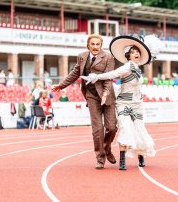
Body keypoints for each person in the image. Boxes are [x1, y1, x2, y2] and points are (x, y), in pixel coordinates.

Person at [82, 35, 156, 170]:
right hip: (124, 104)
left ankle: (140, 155)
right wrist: (96, 77)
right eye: (133, 52)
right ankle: (122, 160)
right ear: (128, 55)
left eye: (138, 52)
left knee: (139, 129)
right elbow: (112, 74)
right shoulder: (127, 67)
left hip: (137, 105)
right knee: (125, 128)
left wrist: (140, 95)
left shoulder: (138, 69)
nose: (136, 54)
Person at [52, 34, 117, 169]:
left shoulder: (109, 57)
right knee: (97, 129)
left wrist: (105, 93)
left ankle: (106, 148)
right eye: (92, 44)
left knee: (111, 128)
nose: (95, 47)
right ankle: (100, 158)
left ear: (101, 45)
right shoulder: (82, 56)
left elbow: (109, 78)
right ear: (88, 45)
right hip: (91, 95)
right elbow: (75, 73)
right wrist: (61, 85)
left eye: (97, 44)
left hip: (107, 95)